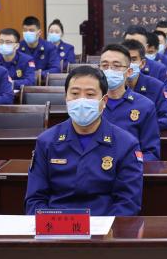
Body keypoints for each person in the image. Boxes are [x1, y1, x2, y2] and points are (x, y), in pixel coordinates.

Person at [24, 65, 143, 215]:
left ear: (104, 100)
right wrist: (52, 224)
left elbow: (128, 203)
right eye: (75, 94)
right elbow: (35, 199)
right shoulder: (46, 141)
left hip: (104, 224)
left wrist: (102, 228)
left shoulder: (126, 143)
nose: (81, 100)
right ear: (66, 98)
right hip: (56, 224)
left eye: (90, 94)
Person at [98, 44, 161, 161]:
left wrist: (128, 165)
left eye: (116, 66)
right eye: (105, 66)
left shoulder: (145, 106)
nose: (109, 70)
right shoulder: (90, 104)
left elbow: (151, 153)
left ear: (129, 72)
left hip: (130, 168)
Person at [122, 39, 167, 131]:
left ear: (142, 63)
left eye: (133, 60)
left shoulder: (156, 86)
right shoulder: (110, 86)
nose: (129, 65)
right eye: (125, 60)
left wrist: (140, 128)